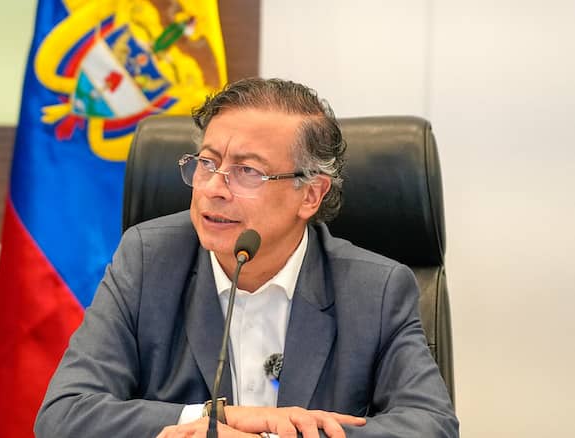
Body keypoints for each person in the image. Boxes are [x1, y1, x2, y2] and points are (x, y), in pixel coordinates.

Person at [35, 78, 459, 438]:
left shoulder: (375, 290)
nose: (212, 189)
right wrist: (212, 420)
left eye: (247, 171)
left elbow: (431, 426)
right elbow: (64, 414)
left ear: (310, 194)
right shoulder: (148, 260)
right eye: (207, 163)